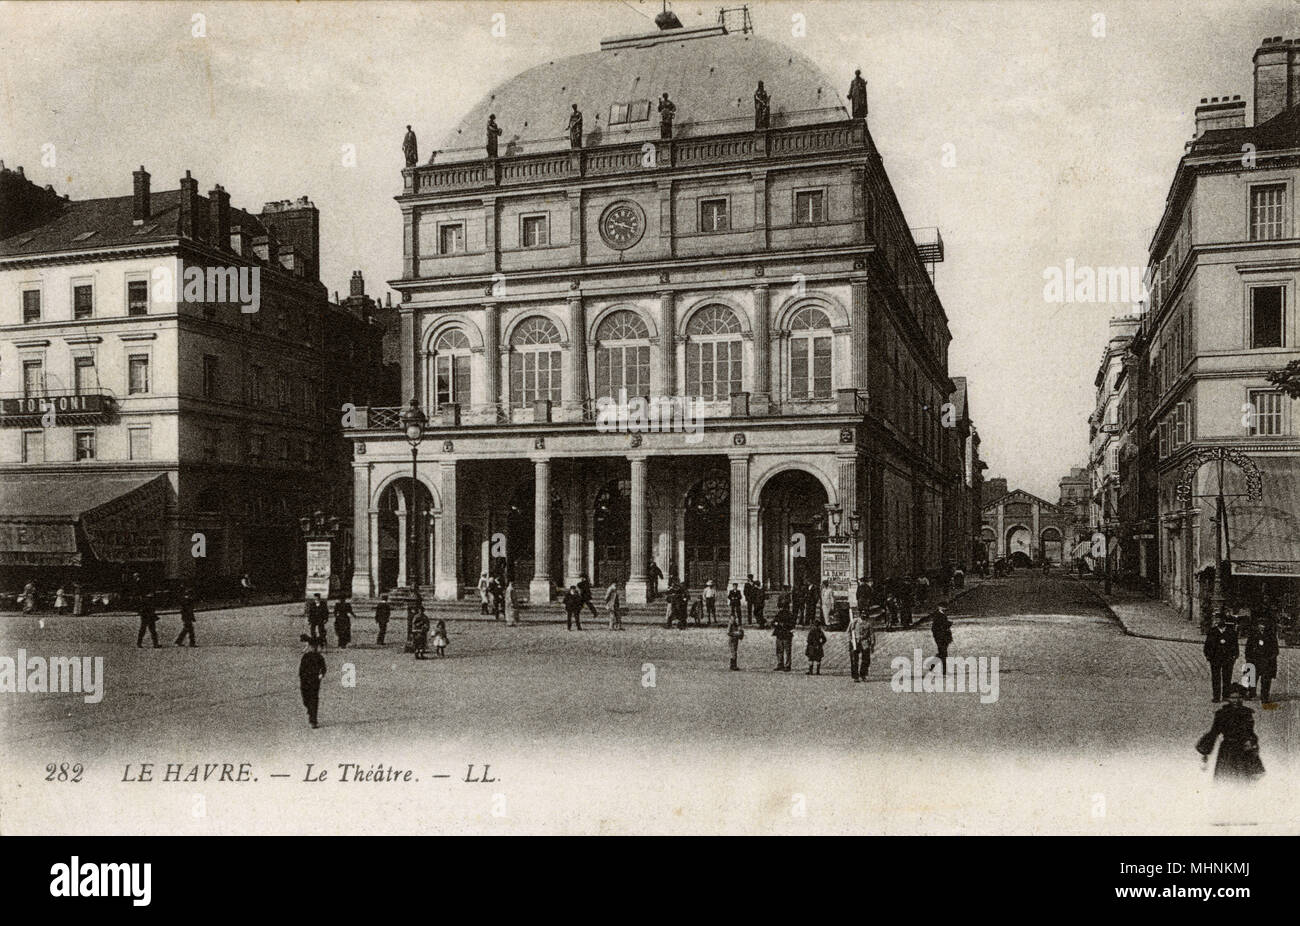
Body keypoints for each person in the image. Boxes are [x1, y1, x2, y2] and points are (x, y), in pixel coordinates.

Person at [1196, 684, 1265, 782]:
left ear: (1242, 698)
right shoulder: (1222, 714)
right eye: (1233, 698)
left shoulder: (1246, 714)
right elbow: (1214, 732)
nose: (1236, 700)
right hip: (1227, 750)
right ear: (1228, 698)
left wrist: (1252, 743)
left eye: (1239, 697)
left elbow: (1250, 732)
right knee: (1225, 776)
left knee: (1244, 779)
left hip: (1243, 749)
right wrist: (1205, 752)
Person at [1204, 611, 1239, 703]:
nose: (1217, 621)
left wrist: (1234, 656)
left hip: (1227, 659)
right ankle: (1216, 696)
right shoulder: (1212, 631)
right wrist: (1208, 655)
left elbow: (1235, 646)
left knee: (1227, 677)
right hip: (1215, 658)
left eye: (1219, 619)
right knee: (1216, 678)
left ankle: (1225, 695)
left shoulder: (1231, 632)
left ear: (1224, 620)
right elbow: (1207, 645)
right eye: (1216, 619)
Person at [1243, 619, 1278, 703]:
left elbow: (1275, 650)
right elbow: (1248, 648)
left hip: (1267, 662)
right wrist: (1249, 658)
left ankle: (1264, 697)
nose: (1262, 627)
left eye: (1263, 625)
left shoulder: (1271, 635)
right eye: (1260, 625)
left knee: (1266, 680)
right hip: (1255, 660)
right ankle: (1251, 693)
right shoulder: (1253, 635)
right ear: (1258, 626)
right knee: (1252, 678)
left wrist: (1270, 658)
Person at [298, 635, 327, 728]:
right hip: (305, 681)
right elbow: (301, 669)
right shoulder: (305, 656)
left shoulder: (319, 657)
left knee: (314, 699)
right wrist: (302, 678)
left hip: (315, 680)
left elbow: (323, 668)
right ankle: (310, 710)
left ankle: (313, 720)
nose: (314, 648)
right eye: (312, 646)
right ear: (310, 647)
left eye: (315, 647)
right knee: (305, 699)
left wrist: (321, 674)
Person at [847, 608, 874, 682]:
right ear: (860, 614)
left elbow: (871, 634)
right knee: (854, 660)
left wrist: (872, 644)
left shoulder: (868, 624)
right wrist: (851, 640)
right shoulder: (855, 622)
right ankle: (855, 676)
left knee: (866, 660)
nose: (864, 615)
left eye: (865, 614)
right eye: (862, 613)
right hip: (855, 642)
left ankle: (863, 674)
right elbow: (849, 631)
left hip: (864, 642)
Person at [771, 600, 795, 672]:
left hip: (786, 634)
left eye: (782, 607)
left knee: (787, 651)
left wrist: (782, 625)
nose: (781, 609)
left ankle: (787, 665)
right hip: (779, 634)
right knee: (779, 650)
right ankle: (780, 664)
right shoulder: (779, 614)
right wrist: (777, 624)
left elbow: (792, 625)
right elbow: (773, 622)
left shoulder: (789, 615)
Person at [931, 606, 953, 675]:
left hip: (944, 637)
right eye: (944, 607)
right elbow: (936, 627)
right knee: (943, 653)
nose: (946, 609)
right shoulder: (938, 615)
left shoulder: (941, 615)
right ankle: (944, 671)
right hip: (941, 637)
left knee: (942, 653)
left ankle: (932, 665)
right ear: (940, 607)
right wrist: (948, 624)